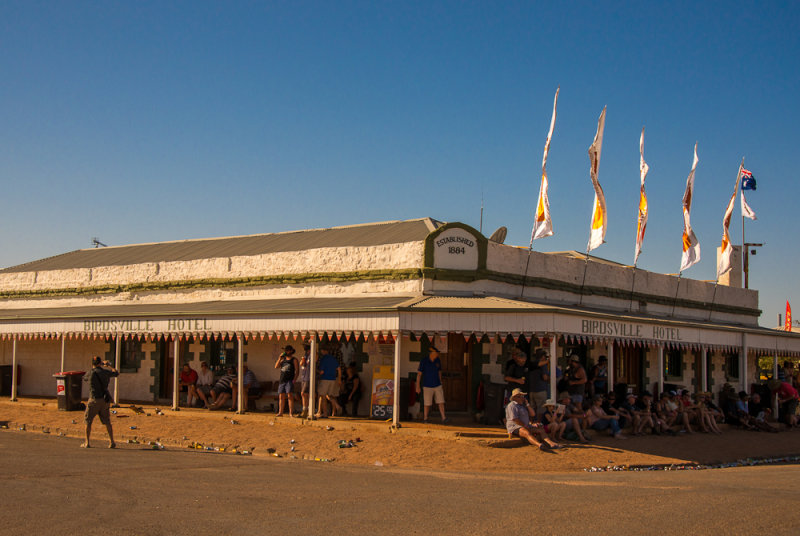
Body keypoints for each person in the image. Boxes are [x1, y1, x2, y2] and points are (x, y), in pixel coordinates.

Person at [82, 355, 118, 448]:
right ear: (100, 363)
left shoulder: (90, 373)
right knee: (107, 421)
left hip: (94, 399)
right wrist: (107, 365)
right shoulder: (105, 372)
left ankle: (87, 442)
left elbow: (84, 378)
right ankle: (111, 441)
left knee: (88, 421)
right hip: (104, 400)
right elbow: (116, 373)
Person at [416, 346, 448, 423]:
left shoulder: (438, 360)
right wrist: (417, 386)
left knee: (441, 401)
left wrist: (440, 381)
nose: (437, 354)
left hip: (437, 385)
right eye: (436, 353)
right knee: (427, 403)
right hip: (427, 385)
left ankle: (443, 418)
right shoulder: (424, 361)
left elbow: (439, 371)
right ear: (431, 353)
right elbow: (419, 374)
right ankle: (425, 418)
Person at [315, 348, 342, 418]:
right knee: (328, 395)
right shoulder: (333, 359)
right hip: (333, 379)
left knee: (323, 396)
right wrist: (339, 379)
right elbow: (339, 369)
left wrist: (315, 370)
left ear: (325, 351)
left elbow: (322, 372)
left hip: (325, 379)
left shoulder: (324, 359)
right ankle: (319, 411)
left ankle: (326, 413)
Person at [275, 345, 299, 417]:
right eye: (285, 350)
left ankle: (291, 413)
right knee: (281, 396)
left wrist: (294, 380)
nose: (286, 352)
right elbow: (276, 366)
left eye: (287, 350)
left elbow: (297, 370)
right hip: (282, 380)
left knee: (289, 395)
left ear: (291, 351)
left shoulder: (294, 360)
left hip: (289, 380)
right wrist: (279, 359)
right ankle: (280, 412)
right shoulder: (283, 359)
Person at [527, 349, 550, 416]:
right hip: (540, 390)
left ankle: (531, 422)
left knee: (532, 407)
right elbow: (545, 377)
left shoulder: (532, 364)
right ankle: (539, 423)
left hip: (531, 390)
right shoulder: (543, 364)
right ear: (543, 356)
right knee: (541, 408)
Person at [298, 344, 312, 417]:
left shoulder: (312, 355)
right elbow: (301, 364)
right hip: (303, 376)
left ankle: (308, 409)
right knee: (303, 393)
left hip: (308, 377)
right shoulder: (305, 356)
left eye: (307, 350)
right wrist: (303, 360)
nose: (306, 351)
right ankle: (304, 409)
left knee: (304, 393)